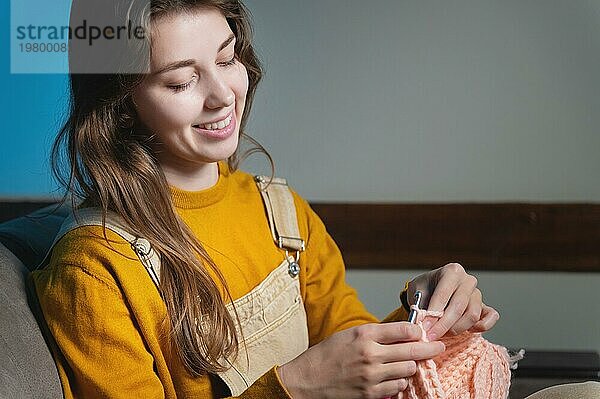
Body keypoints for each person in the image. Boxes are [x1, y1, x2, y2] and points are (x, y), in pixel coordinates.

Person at [30, 0, 500, 398]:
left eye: (227, 59)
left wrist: (421, 314)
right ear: (120, 104)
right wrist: (293, 387)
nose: (222, 96)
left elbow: (351, 346)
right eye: (180, 82)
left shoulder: (281, 211)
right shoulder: (92, 270)